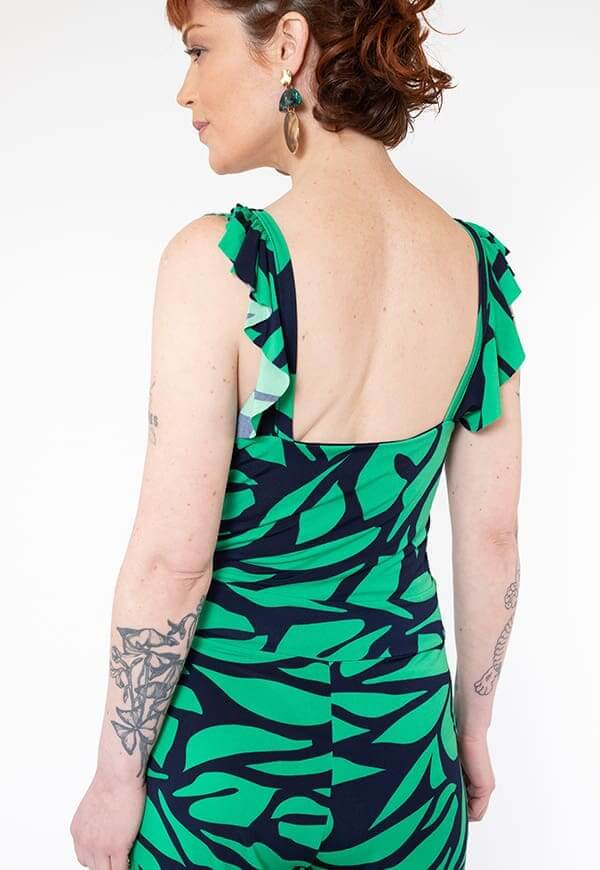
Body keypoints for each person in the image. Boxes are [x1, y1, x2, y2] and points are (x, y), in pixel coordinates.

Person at [70, 1, 526, 867]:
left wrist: (114, 779)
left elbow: (172, 562)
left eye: (198, 50)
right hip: (404, 765)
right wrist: (473, 734)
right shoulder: (475, 268)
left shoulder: (221, 263)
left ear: (287, 43)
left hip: (226, 774)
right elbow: (493, 542)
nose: (185, 91)